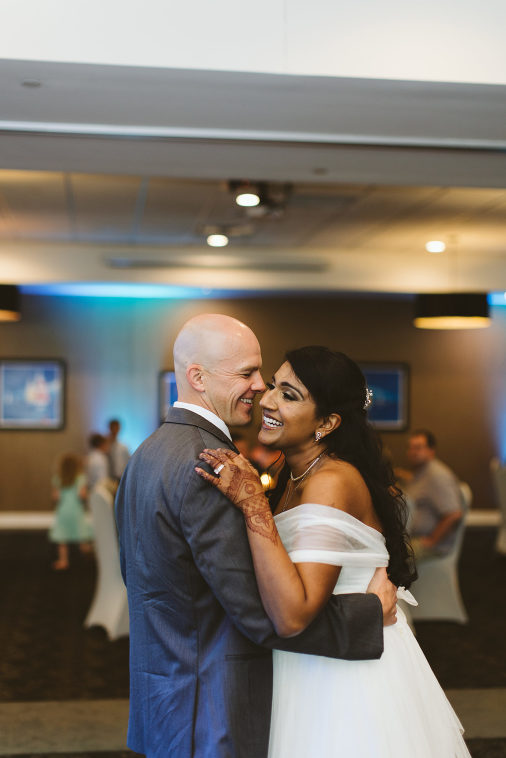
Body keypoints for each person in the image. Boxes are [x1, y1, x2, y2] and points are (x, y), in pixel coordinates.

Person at [115, 314, 397, 758]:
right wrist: (365, 614)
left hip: (167, 692)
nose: (260, 387)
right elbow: (258, 611)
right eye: (247, 373)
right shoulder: (211, 466)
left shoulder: (149, 452)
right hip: (208, 705)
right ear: (198, 378)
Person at [197, 346, 471, 758]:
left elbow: (293, 614)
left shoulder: (331, 481)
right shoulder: (291, 474)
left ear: (326, 423)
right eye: (273, 386)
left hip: (345, 673)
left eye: (289, 395)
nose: (267, 400)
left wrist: (253, 504)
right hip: (316, 655)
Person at [397, 429, 463, 559]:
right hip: (413, 537)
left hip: (430, 545)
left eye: (418, 448)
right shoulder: (422, 472)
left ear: (431, 451)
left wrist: (432, 541)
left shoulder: (437, 476)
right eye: (410, 448)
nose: (413, 452)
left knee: (391, 558)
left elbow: (454, 514)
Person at [49, 453, 93, 570]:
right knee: (81, 532)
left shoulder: (58, 478)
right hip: (76, 510)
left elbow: (55, 497)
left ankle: (63, 561)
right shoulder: (80, 478)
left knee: (62, 538)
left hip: (63, 511)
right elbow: (82, 495)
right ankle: (86, 551)